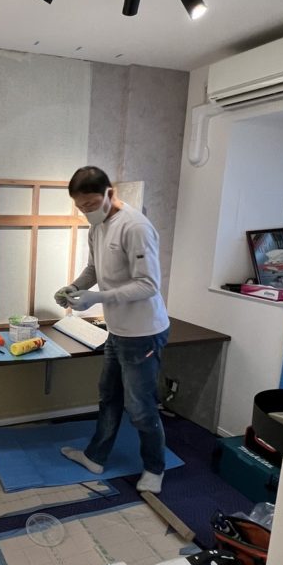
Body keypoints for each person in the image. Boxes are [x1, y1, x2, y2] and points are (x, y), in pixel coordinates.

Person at [54, 166, 170, 493]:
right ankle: (95, 456)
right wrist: (74, 287)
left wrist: (98, 298)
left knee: (140, 407)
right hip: (117, 331)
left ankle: (155, 469)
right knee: (109, 397)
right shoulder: (97, 226)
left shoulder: (135, 227)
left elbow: (148, 284)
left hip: (144, 332)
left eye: (91, 204)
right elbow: (94, 268)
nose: (87, 211)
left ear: (109, 193)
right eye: (81, 207)